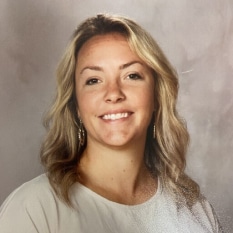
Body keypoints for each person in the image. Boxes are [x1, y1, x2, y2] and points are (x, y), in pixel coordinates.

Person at [0, 14, 223, 233]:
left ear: (156, 95)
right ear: (76, 104)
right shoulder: (34, 210)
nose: (113, 93)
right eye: (94, 80)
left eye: (132, 75)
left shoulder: (193, 210)